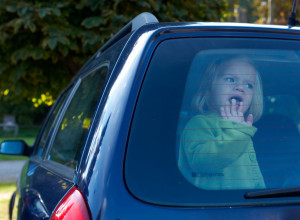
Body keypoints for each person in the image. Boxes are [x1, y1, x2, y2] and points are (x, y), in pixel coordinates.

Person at [178, 56, 266, 190]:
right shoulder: (199, 124)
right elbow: (202, 164)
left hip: (246, 203)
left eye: (249, 85)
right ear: (209, 89)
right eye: (230, 79)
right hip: (218, 205)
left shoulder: (242, 127)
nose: (240, 88)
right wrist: (235, 133)